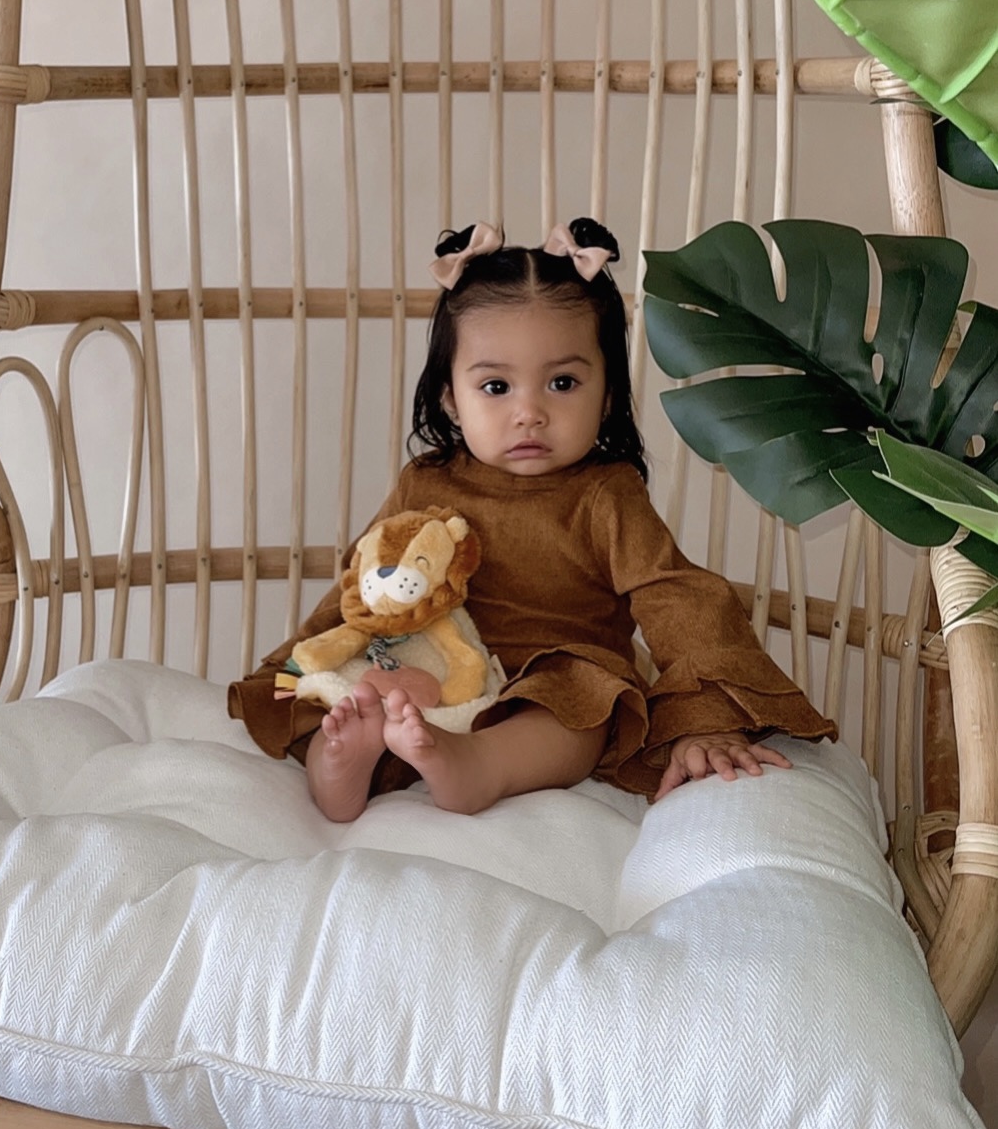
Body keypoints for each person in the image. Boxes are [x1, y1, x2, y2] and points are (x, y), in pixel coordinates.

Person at [228, 218, 837, 821]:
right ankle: (345, 764)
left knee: (586, 705)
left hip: (545, 686)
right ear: (450, 398)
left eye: (563, 382)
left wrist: (707, 718)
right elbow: (366, 582)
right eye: (496, 386)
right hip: (432, 674)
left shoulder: (605, 493)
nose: (530, 413)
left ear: (606, 396)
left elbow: (674, 595)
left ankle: (480, 764)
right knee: (350, 692)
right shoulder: (428, 481)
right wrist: (296, 661)